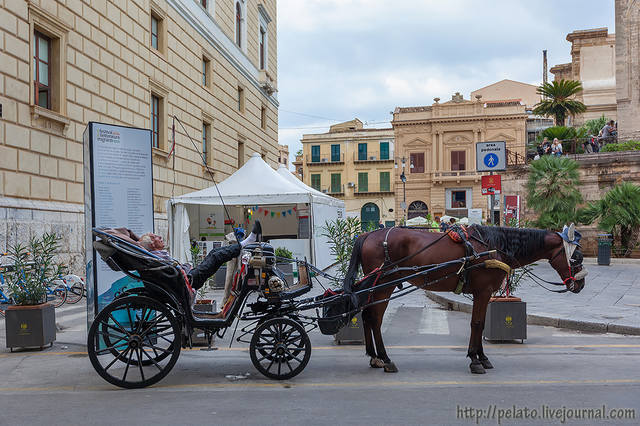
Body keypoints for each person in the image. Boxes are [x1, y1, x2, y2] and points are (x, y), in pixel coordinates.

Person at [138, 220, 262, 292]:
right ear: (153, 244)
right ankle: (245, 244)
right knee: (215, 257)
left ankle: (244, 244)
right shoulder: (157, 256)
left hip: (187, 276)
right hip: (189, 279)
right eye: (156, 237)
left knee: (213, 253)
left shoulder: (156, 256)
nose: (160, 237)